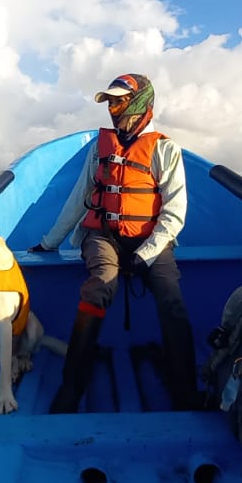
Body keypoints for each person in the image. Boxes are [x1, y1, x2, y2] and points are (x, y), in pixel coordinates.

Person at [29, 73, 199, 413]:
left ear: (139, 103)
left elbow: (175, 211)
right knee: (99, 286)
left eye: (118, 100)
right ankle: (72, 383)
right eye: (110, 101)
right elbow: (79, 199)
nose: (112, 108)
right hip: (102, 236)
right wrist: (50, 243)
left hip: (152, 240)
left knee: (172, 300)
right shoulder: (99, 149)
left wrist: (146, 254)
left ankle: (185, 389)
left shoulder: (165, 149)